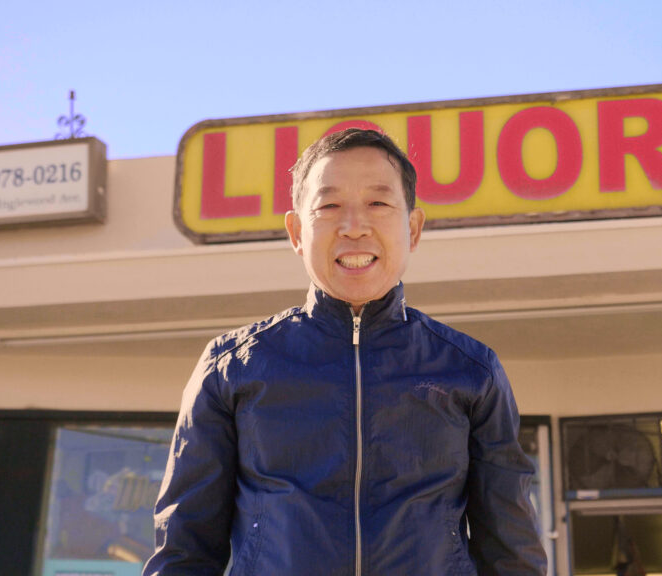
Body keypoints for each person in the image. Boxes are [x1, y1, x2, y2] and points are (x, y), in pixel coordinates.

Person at [144, 128, 547, 575]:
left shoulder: (472, 371)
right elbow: (183, 552)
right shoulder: (230, 368)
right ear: (296, 231)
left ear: (412, 228)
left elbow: (512, 554)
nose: (354, 226)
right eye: (329, 206)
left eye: (378, 203)